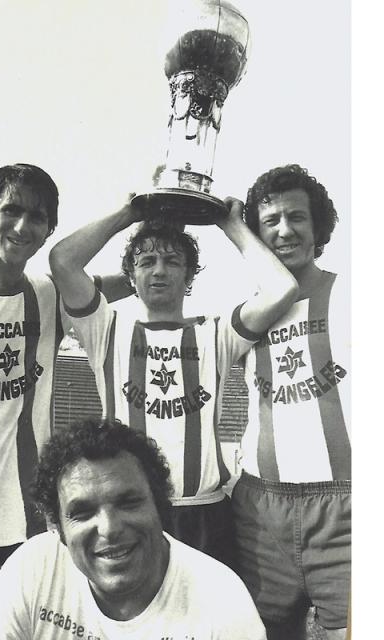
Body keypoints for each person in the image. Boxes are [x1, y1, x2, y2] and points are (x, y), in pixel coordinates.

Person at [0, 164, 131, 640]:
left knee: (24, 630)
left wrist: (144, 213)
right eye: (10, 210)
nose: (21, 226)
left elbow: (132, 279)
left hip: (18, 502)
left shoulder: (47, 294)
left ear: (49, 230)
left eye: (37, 217)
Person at [48, 197, 299, 569]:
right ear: (131, 277)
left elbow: (282, 289)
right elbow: (62, 261)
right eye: (147, 262)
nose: (159, 270)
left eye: (172, 261)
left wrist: (228, 223)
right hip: (131, 512)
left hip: (205, 513)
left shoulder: (217, 333)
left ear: (190, 274)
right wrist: (129, 212)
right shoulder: (107, 329)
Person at [0, 417, 267, 639]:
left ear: (160, 507)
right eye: (82, 512)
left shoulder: (222, 600)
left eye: (128, 503)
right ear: (57, 527)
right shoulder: (31, 570)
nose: (109, 528)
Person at [231, 164, 351, 640]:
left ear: (318, 226)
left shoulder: (351, 294)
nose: (285, 230)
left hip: (344, 506)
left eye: (297, 217)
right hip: (261, 510)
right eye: (271, 221)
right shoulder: (247, 314)